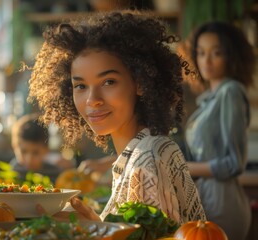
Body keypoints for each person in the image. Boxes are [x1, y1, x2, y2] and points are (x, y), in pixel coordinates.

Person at [28, 10, 206, 224]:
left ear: (139, 83)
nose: (92, 100)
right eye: (81, 86)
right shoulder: (143, 150)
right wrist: (97, 224)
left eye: (108, 82)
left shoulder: (145, 161)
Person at [185, 21, 255, 240]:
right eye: (201, 52)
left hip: (224, 203)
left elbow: (234, 163)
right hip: (208, 198)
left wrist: (186, 168)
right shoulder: (210, 99)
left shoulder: (230, 92)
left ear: (231, 56)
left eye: (216, 53)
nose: (206, 60)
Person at [10, 113, 73, 183]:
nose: (29, 159)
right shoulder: (12, 173)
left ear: (46, 150)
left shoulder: (54, 173)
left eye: (35, 152)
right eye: (23, 151)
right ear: (14, 147)